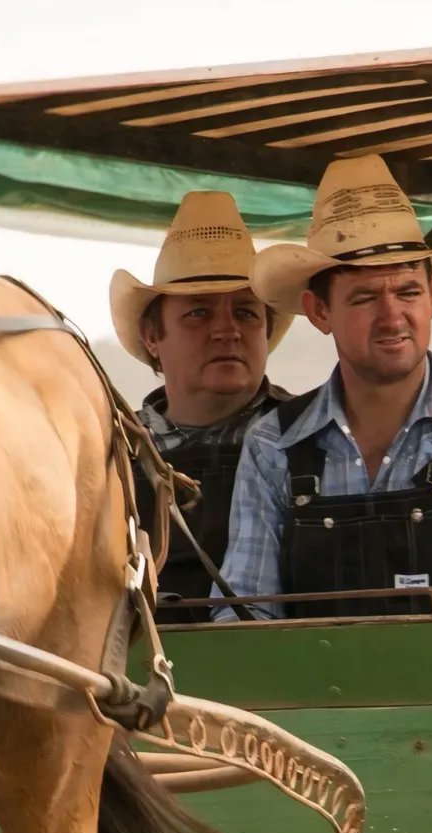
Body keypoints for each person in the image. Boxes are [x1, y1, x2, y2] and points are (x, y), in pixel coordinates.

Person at [214, 153, 432, 624]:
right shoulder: (273, 444)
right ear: (319, 312)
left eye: (408, 292)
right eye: (365, 298)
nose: (393, 316)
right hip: (315, 693)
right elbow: (247, 615)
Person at [109, 191, 292, 616]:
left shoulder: (310, 437)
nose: (227, 331)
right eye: (198, 313)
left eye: (246, 313)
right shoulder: (111, 448)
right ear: (153, 336)